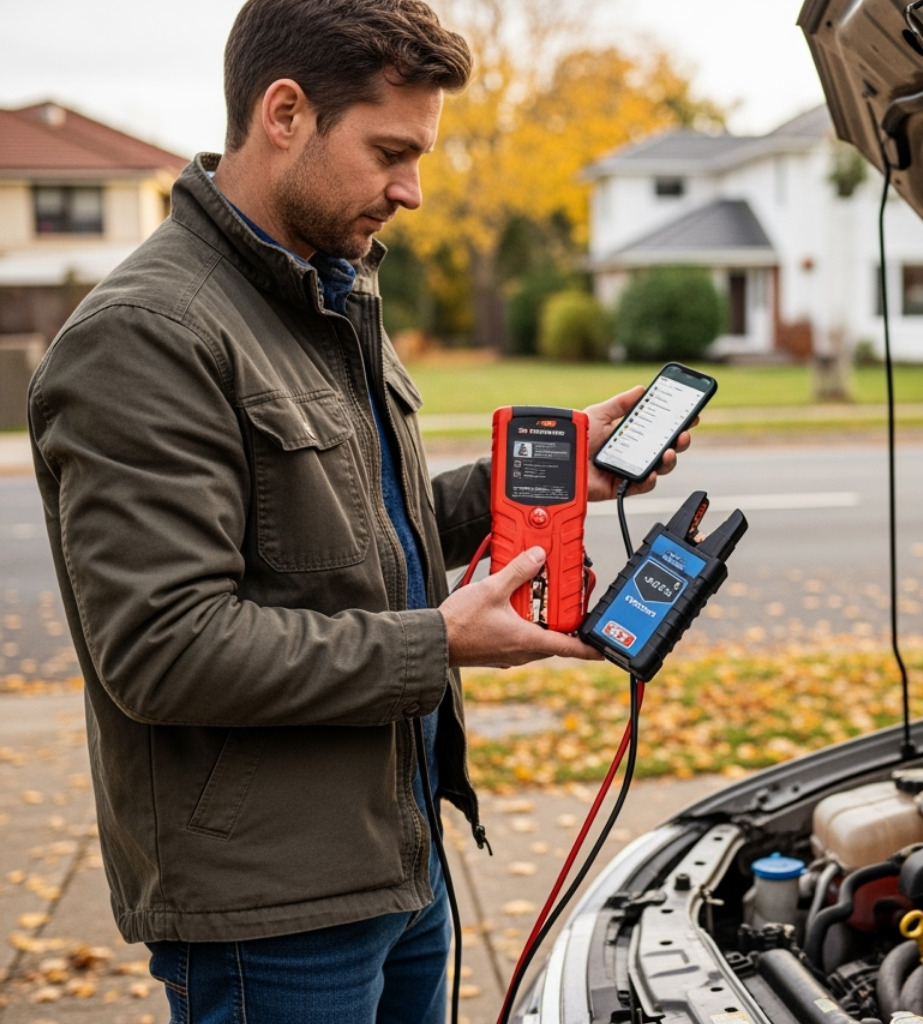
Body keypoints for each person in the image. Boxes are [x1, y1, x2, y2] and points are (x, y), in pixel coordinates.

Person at [25, 0, 687, 1018]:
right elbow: (163, 647)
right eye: (390, 151)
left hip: (399, 851)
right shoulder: (147, 336)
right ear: (284, 112)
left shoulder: (327, 292)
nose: (412, 191)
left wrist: (540, 481)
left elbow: (349, 530)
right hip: (273, 910)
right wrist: (437, 645)